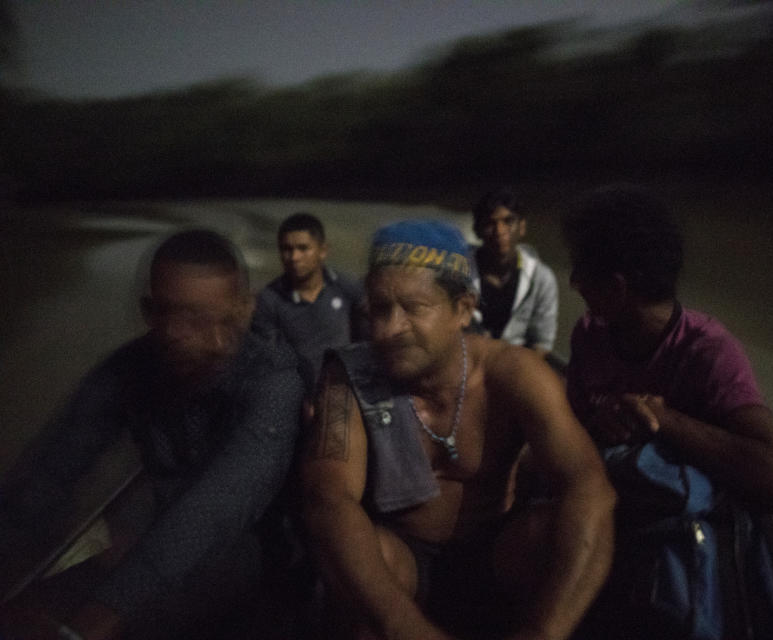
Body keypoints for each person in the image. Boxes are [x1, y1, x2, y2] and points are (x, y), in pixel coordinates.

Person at [300, 220, 616, 640]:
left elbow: (589, 487)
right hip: (404, 566)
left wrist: (544, 632)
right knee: (356, 559)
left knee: (557, 529)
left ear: (463, 310)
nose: (389, 329)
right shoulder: (348, 378)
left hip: (498, 557)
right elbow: (330, 501)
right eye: (379, 309)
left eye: (413, 308)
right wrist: (403, 627)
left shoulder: (514, 374)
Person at [0, 229, 306, 640]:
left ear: (242, 312)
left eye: (197, 318)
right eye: (163, 312)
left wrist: (101, 613)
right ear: (149, 310)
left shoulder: (274, 381)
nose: (177, 332)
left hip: (262, 555)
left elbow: (219, 505)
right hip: (162, 542)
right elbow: (52, 470)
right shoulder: (131, 368)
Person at [562, 185, 773, 639]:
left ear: (617, 287)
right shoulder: (590, 336)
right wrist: (598, 428)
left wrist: (665, 420)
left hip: (679, 550)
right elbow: (572, 433)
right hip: (611, 523)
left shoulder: (708, 352)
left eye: (584, 272)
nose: (574, 282)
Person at [251, 212, 365, 377]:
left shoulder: (345, 286)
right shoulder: (269, 299)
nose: (294, 257)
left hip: (344, 384)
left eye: (303, 248)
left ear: (323, 250)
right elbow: (267, 357)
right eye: (286, 249)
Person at [470, 189, 558, 356]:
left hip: (515, 363)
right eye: (490, 223)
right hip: (469, 358)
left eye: (508, 221)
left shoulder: (541, 278)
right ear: (478, 229)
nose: (499, 231)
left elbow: (542, 342)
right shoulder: (459, 270)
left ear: (522, 227)